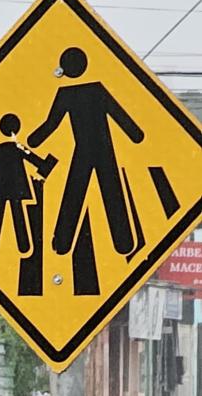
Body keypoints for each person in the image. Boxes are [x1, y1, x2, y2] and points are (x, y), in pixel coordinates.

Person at [29, 47, 145, 260]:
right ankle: (123, 242)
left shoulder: (66, 94)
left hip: (84, 150)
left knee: (75, 192)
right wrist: (135, 134)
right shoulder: (96, 90)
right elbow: (119, 115)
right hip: (103, 148)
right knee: (111, 191)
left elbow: (51, 124)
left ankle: (62, 242)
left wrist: (33, 140)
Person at [0, 114, 52, 257]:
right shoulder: (19, 147)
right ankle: (24, 246)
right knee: (17, 213)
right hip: (17, 187)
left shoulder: (1, 148)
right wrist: (46, 164)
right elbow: (34, 160)